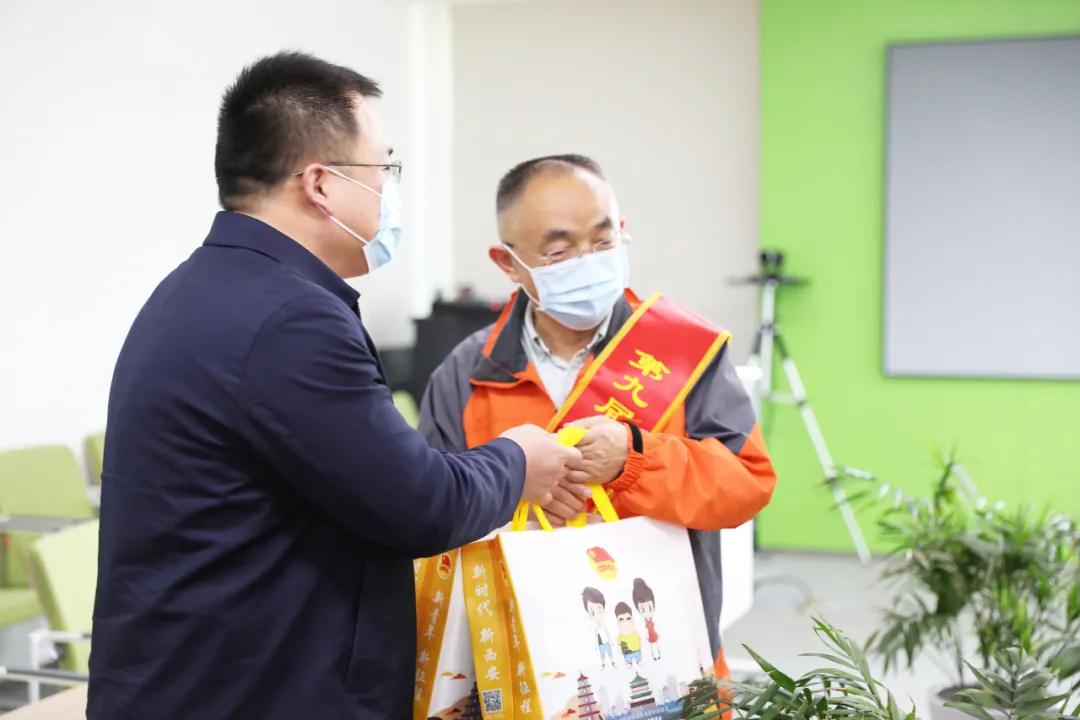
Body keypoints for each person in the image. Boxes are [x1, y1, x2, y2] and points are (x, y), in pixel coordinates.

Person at [89, 53, 579, 719]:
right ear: (321, 183)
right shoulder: (290, 319)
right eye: (384, 168)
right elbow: (420, 505)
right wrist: (520, 460)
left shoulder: (199, 289)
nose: (389, 191)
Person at [419, 153, 777, 680]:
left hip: (667, 661)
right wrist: (512, 487)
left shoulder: (684, 352)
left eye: (603, 241)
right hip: (521, 671)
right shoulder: (469, 373)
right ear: (508, 263)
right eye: (560, 250)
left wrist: (635, 459)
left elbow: (747, 485)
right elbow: (430, 512)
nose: (587, 261)